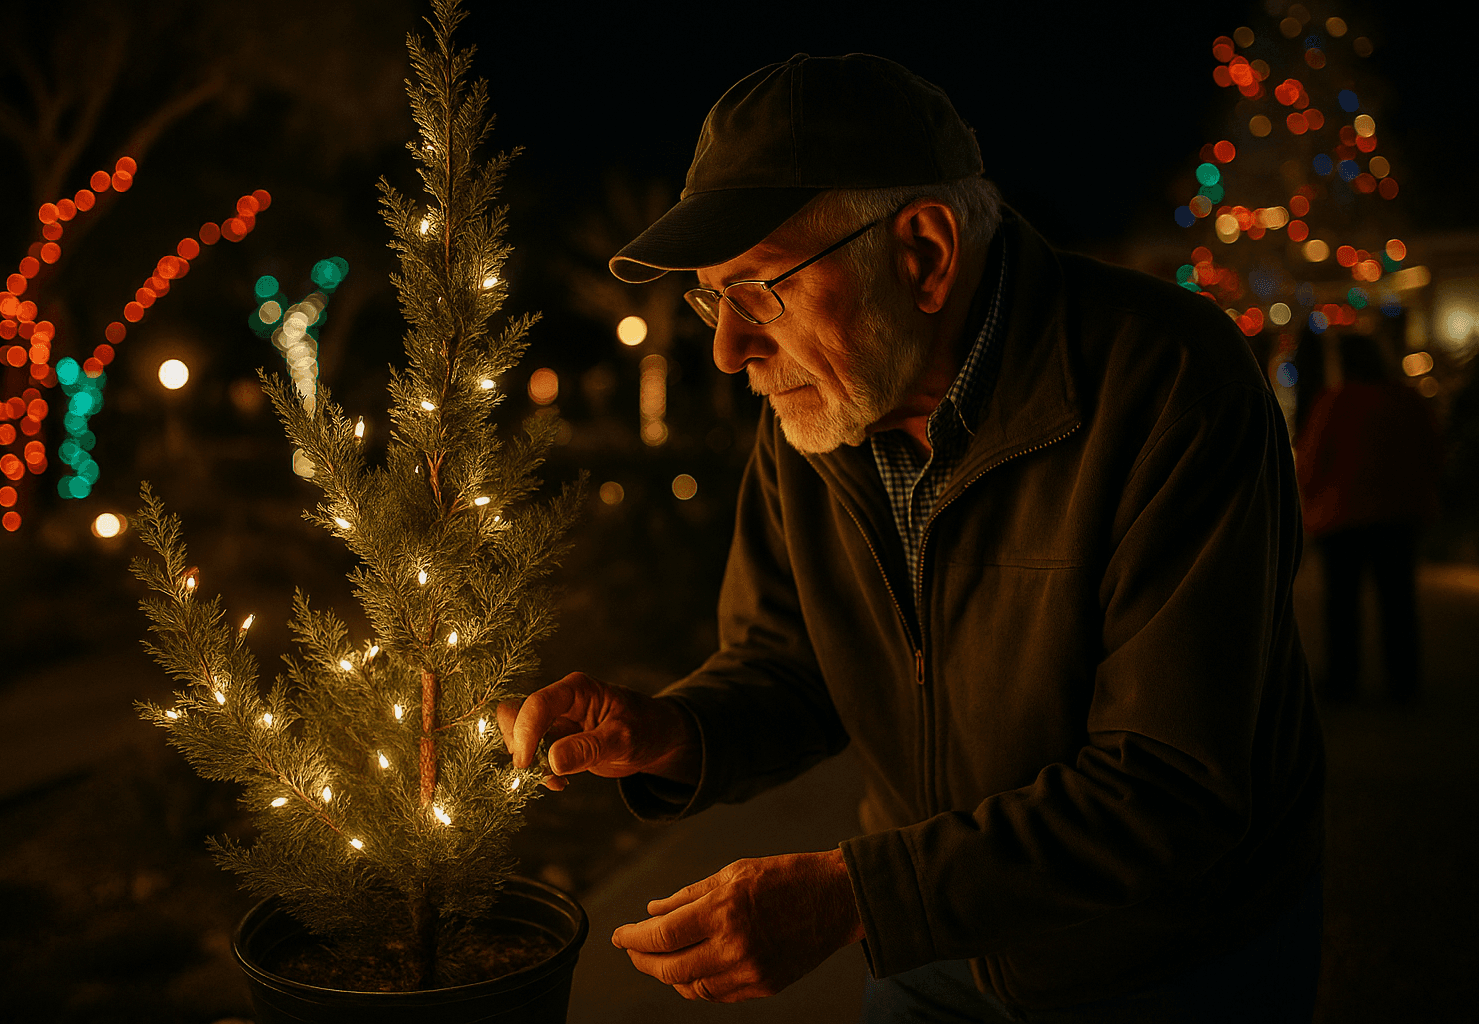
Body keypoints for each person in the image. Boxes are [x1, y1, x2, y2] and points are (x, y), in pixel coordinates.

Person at [500, 53, 1325, 1022]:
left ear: (923, 253)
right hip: (929, 949)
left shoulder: (1169, 385)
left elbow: (1173, 784)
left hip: (1160, 963)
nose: (727, 349)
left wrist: (857, 897)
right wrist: (670, 733)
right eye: (711, 298)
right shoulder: (822, 407)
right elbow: (790, 660)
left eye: (759, 289)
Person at [1294, 333, 1441, 702]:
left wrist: (1312, 499)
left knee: (1342, 604)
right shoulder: (1407, 400)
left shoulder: (1334, 403)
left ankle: (1343, 678)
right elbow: (1432, 451)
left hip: (1342, 516)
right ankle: (1403, 680)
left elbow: (1311, 461)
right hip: (1399, 514)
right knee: (1398, 602)